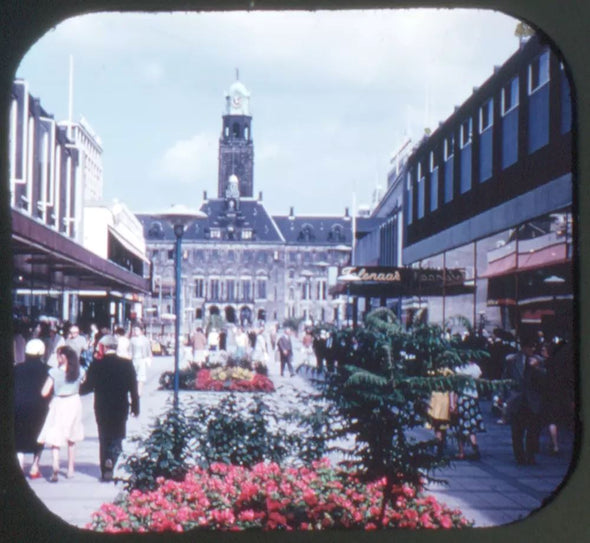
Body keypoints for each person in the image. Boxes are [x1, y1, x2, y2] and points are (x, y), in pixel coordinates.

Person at [80, 335, 139, 482]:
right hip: (120, 405)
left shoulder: (96, 364)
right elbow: (133, 387)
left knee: (104, 436)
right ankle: (112, 458)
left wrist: (77, 388)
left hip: (102, 406)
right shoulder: (127, 364)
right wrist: (136, 406)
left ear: (104, 347)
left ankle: (106, 468)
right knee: (118, 435)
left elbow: (88, 387)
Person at [37, 345, 85, 482]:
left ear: (62, 357)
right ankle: (70, 469)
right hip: (74, 402)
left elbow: (44, 392)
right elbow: (83, 382)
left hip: (59, 403)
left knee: (55, 434)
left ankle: (55, 465)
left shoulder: (54, 372)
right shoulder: (79, 371)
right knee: (72, 437)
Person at [504, 338, 546, 465]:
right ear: (523, 348)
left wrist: (537, 368)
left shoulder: (539, 360)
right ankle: (519, 456)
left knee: (533, 431)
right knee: (517, 431)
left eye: (533, 347)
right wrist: (506, 397)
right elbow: (505, 378)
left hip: (533, 401)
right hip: (517, 400)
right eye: (530, 347)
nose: (532, 350)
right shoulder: (512, 360)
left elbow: (545, 379)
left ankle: (531, 455)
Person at [14, 339, 50, 479]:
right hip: (39, 407)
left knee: (18, 436)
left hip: (18, 405)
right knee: (39, 436)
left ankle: (19, 464)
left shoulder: (16, 369)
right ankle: (35, 466)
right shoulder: (48, 370)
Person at [451, 361, 485, 460]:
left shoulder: (459, 368)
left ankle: (461, 452)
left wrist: (453, 403)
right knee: (471, 425)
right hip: (473, 399)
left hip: (463, 398)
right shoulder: (476, 367)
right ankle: (474, 447)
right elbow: (478, 376)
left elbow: (455, 386)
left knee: (461, 425)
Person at [129, 326, 152, 397]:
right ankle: (134, 390)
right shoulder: (132, 340)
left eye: (137, 330)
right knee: (133, 376)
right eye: (135, 330)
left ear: (141, 331)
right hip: (134, 360)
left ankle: (139, 392)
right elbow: (130, 350)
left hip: (142, 359)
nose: (136, 331)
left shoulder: (145, 340)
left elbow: (149, 351)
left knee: (141, 376)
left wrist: (149, 359)